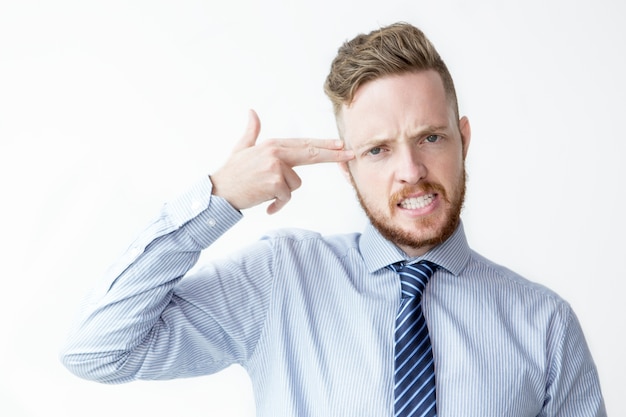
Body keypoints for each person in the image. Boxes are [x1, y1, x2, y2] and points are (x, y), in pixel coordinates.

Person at [60, 22, 606, 417]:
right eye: (377, 151)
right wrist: (218, 197)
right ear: (347, 167)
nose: (410, 171)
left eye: (430, 138)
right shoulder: (280, 280)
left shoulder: (544, 325)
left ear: (463, 140)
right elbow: (97, 350)